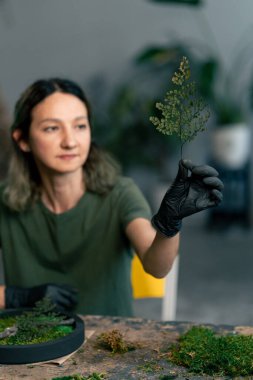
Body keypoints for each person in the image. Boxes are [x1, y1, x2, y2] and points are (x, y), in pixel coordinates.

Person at [0, 78, 223, 316]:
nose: (70, 141)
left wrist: (170, 224)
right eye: (51, 128)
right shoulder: (5, 201)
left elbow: (156, 266)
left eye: (80, 126)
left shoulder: (120, 194)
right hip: (31, 343)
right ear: (22, 140)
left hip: (110, 344)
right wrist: (17, 297)